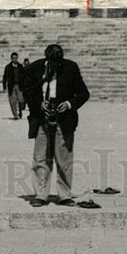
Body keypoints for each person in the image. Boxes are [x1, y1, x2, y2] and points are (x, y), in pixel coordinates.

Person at [24, 43, 90, 208]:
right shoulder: (35, 68)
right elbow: (28, 92)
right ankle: (40, 195)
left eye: (58, 63)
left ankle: (64, 195)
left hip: (64, 119)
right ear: (46, 58)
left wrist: (68, 104)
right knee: (40, 158)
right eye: (52, 63)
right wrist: (40, 104)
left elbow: (83, 93)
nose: (55, 66)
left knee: (64, 158)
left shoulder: (71, 68)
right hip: (42, 119)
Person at [2, 51, 25, 119]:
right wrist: (4, 86)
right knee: (13, 101)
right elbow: (5, 77)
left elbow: (24, 76)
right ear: (11, 58)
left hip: (19, 85)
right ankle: (15, 115)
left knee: (21, 100)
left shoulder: (20, 66)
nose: (14, 59)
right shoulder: (8, 67)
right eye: (13, 58)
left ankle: (20, 110)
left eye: (16, 58)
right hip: (11, 86)